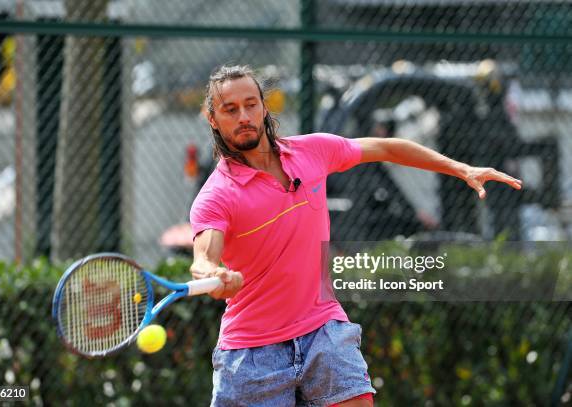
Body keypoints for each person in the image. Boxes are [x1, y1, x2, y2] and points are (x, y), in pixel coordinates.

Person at [189, 65, 523, 407]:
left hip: (323, 328)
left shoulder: (312, 151)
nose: (244, 116)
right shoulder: (216, 196)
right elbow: (204, 257)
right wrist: (212, 274)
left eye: (251, 104)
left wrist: (461, 169)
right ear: (214, 119)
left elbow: (387, 148)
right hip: (252, 353)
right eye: (230, 110)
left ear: (264, 107)